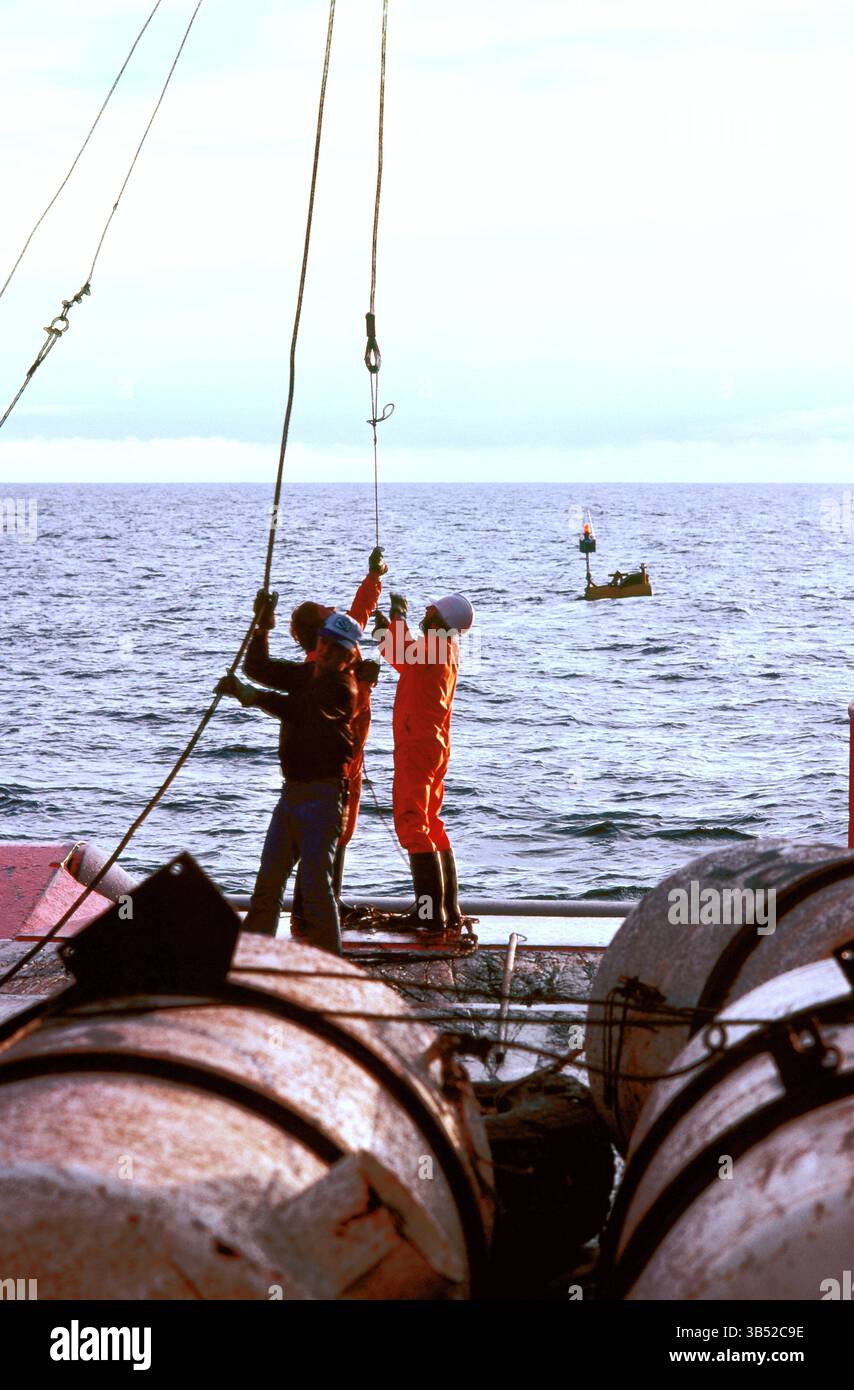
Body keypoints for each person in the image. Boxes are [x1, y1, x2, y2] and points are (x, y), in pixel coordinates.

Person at [216, 607, 361, 953]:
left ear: (347, 657)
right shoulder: (307, 673)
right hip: (292, 796)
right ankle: (253, 963)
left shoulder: (343, 689)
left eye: (335, 648)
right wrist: (262, 630)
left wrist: (251, 696)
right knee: (267, 886)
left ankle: (331, 971)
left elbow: (303, 711)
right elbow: (259, 669)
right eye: (324, 643)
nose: (325, 651)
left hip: (323, 799)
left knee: (315, 890)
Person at [284, 547, 387, 928]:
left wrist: (373, 578)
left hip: (351, 752)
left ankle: (328, 900)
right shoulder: (320, 667)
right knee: (329, 829)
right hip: (338, 757)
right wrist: (364, 680)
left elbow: (356, 617)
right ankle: (308, 912)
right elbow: (341, 707)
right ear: (320, 634)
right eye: (328, 611)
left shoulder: (336, 646)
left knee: (341, 829)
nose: (335, 609)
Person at [373, 590, 474, 931]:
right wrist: (385, 630)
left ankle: (429, 914)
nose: (426, 611)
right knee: (431, 824)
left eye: (431, 610)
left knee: (412, 823)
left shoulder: (434, 647)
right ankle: (447, 910)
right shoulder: (444, 649)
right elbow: (402, 657)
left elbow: (403, 651)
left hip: (417, 744)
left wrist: (396, 617)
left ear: (438, 620)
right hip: (433, 745)